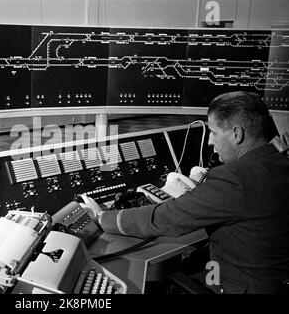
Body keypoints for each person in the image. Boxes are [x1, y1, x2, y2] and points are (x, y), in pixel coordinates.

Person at [81, 91, 289, 294]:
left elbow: (166, 219)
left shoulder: (235, 178)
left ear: (237, 134)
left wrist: (102, 217)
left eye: (213, 132)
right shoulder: (279, 161)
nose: (209, 141)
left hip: (229, 284)